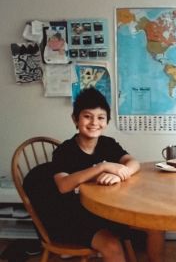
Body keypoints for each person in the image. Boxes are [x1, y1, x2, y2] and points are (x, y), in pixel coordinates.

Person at [51, 87, 164, 262]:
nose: (94, 122)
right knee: (112, 246)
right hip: (76, 217)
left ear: (107, 121)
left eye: (101, 117)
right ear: (75, 119)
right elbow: (63, 185)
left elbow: (133, 163)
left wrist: (120, 175)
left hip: (109, 210)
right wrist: (102, 167)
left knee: (156, 227)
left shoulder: (107, 144)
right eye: (87, 116)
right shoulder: (64, 151)